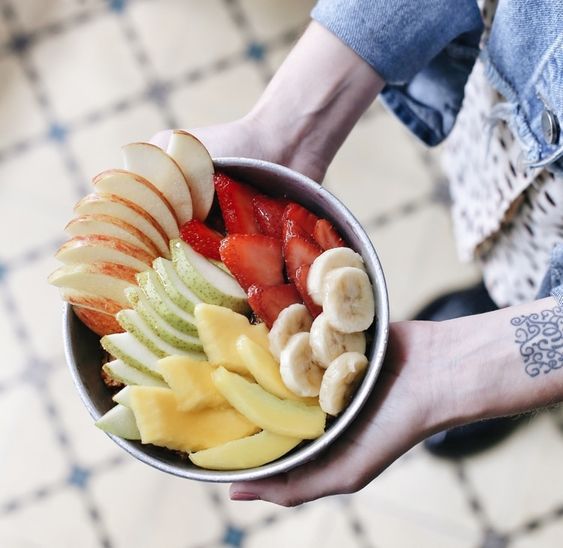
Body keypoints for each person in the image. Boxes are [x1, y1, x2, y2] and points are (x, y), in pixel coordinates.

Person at [152, 0, 563, 506]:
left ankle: (524, 354)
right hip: (524, 95)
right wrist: (291, 125)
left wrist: (473, 371)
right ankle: (503, 301)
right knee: (507, 243)